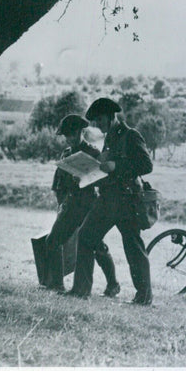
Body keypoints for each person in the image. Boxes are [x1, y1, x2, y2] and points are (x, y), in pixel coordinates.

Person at [68, 98, 154, 304]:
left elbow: (146, 165)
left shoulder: (131, 135)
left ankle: (144, 297)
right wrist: (87, 173)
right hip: (108, 199)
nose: (97, 124)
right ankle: (80, 290)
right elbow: (106, 169)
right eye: (95, 121)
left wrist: (117, 166)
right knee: (87, 236)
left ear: (111, 116)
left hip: (127, 201)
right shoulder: (110, 138)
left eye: (99, 119)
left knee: (133, 247)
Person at [43, 114, 120, 296]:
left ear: (80, 132)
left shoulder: (93, 153)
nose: (69, 138)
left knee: (95, 246)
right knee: (53, 241)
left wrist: (85, 179)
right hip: (71, 205)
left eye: (72, 134)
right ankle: (56, 284)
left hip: (90, 205)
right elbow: (59, 183)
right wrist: (61, 203)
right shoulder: (67, 154)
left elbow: (102, 180)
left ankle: (113, 285)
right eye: (66, 135)